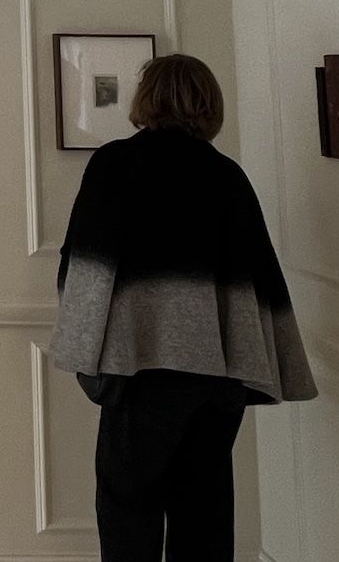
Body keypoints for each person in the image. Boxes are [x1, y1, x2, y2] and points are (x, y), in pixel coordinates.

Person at [50, 53, 316, 562]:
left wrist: (85, 359)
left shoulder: (115, 165)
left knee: (129, 520)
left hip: (142, 376)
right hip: (218, 382)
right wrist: (271, 372)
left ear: (146, 99)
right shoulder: (227, 177)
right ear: (209, 104)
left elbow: (83, 265)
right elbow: (262, 282)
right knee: (206, 522)